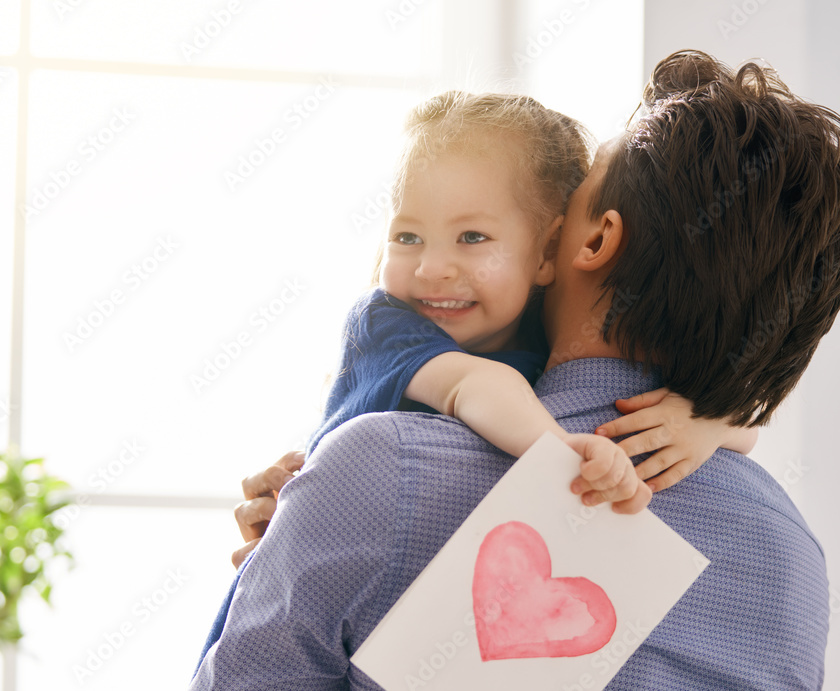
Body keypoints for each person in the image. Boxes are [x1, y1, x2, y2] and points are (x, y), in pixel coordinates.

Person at [191, 49, 840, 689]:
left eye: (572, 198)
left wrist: (309, 528)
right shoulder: (792, 556)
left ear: (592, 240)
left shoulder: (380, 472)